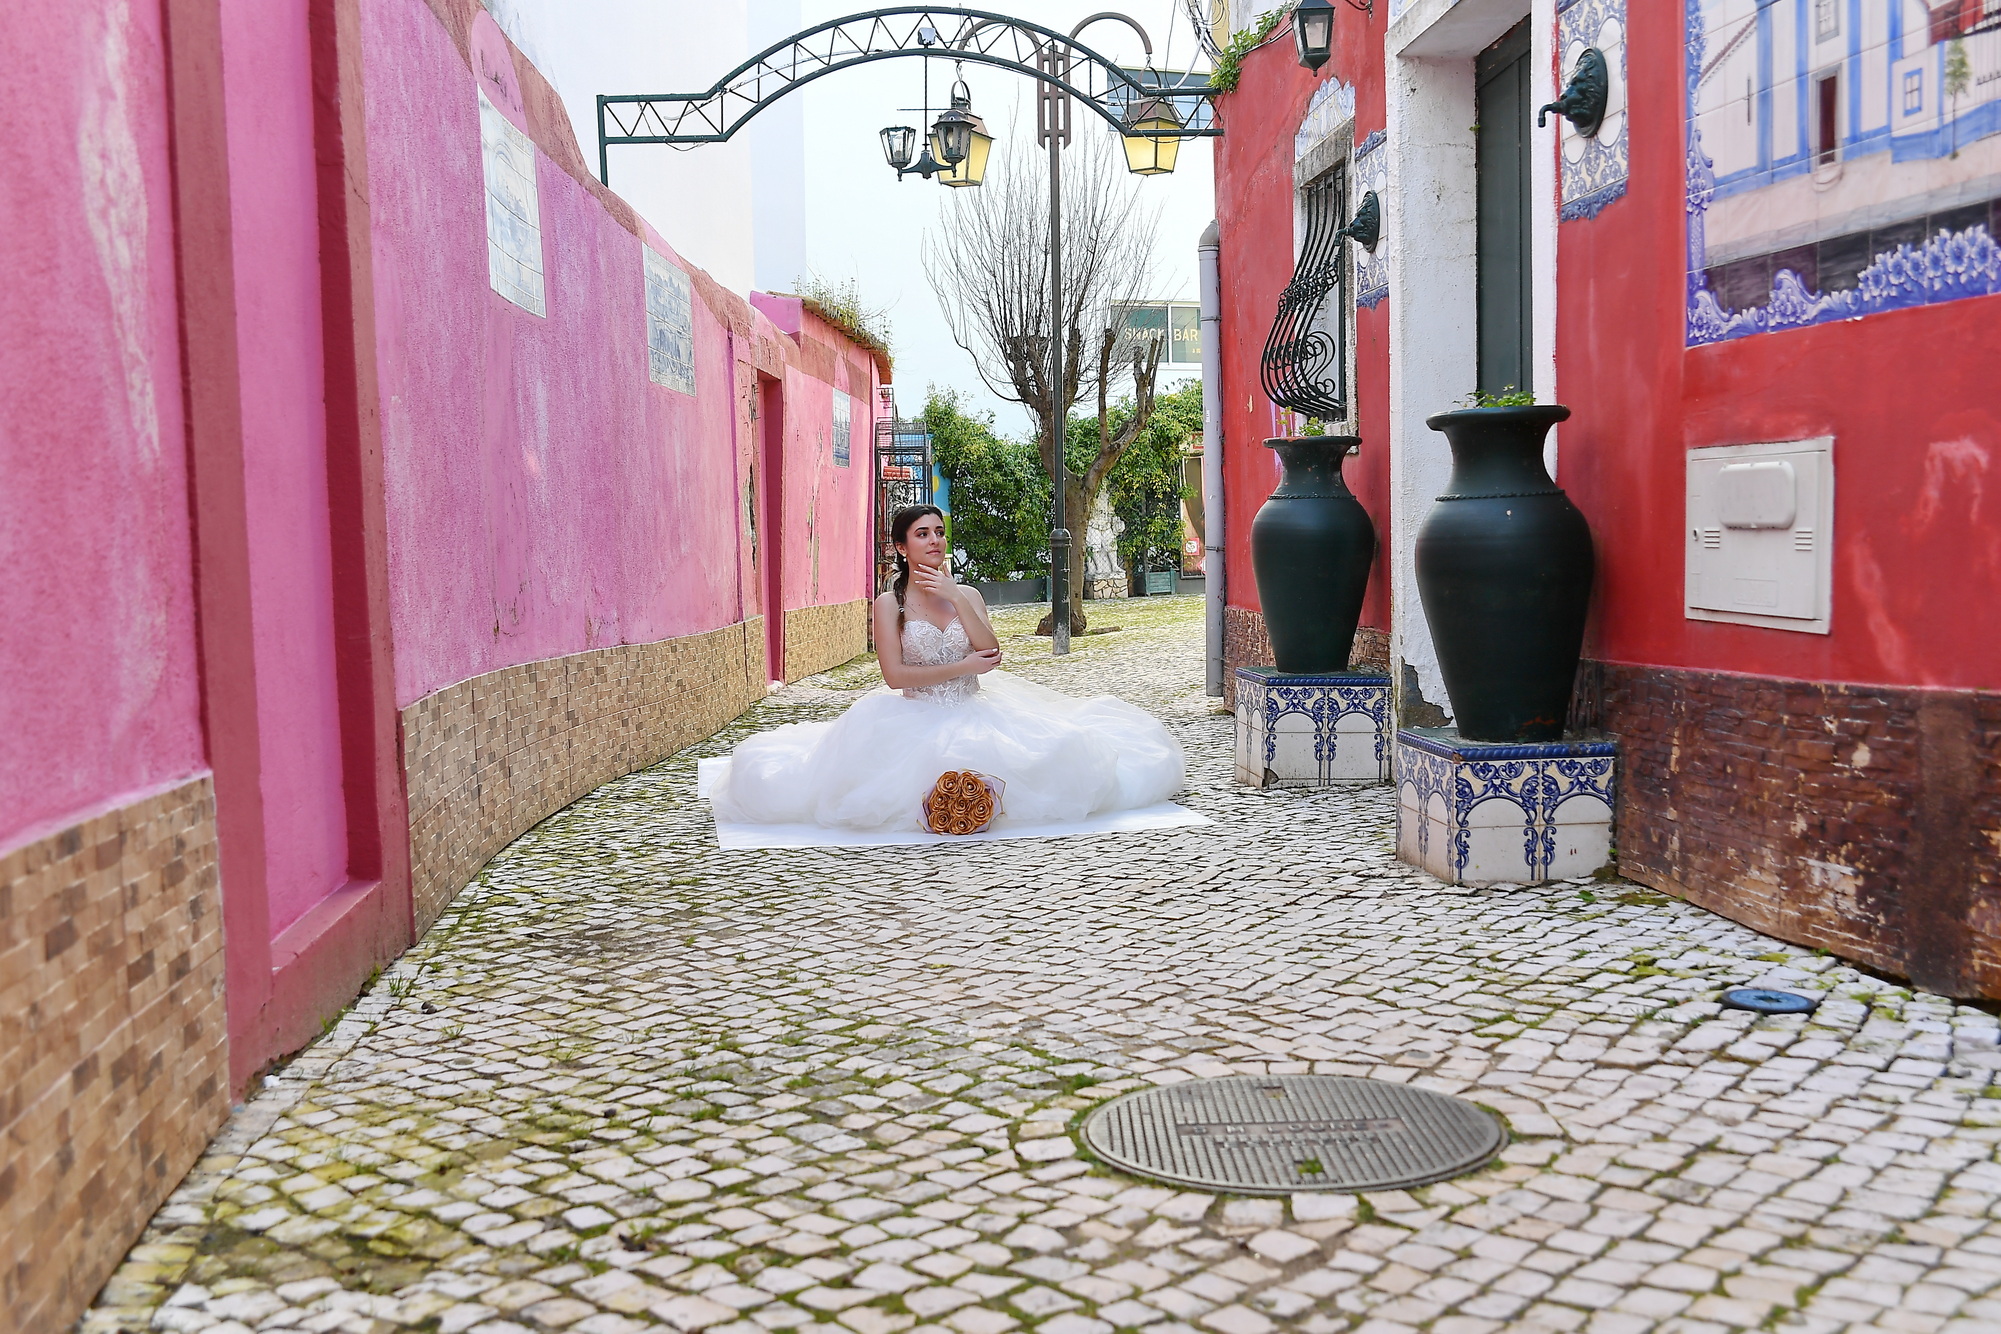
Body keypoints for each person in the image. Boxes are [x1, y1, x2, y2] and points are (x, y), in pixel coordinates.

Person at [710, 504, 1186, 831]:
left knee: (1061, 750)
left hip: (974, 705)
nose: (934, 541)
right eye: (922, 534)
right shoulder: (889, 603)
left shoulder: (968, 594)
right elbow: (895, 676)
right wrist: (961, 665)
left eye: (939, 532)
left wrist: (956, 597)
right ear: (902, 548)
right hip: (913, 713)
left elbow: (991, 653)